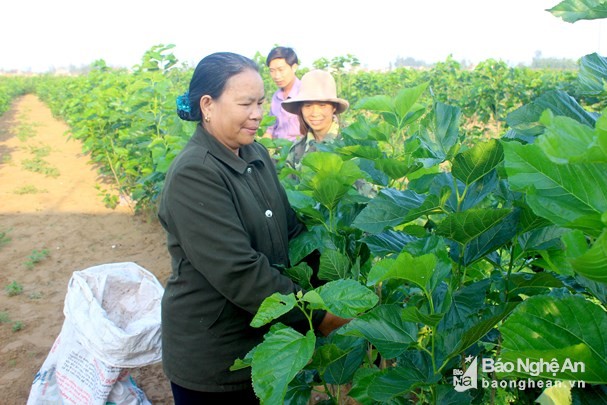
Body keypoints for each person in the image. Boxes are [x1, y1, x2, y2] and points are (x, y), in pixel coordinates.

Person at [157, 52, 349, 404]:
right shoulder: (194, 173)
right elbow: (238, 270)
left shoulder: (255, 154)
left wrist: (337, 286)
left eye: (260, 102)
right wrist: (320, 315)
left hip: (265, 339)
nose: (258, 113)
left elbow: (293, 234)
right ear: (207, 106)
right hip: (217, 357)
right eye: (246, 103)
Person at [281, 69, 349, 170]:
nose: (314, 113)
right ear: (301, 109)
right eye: (308, 106)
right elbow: (289, 184)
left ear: (334, 107)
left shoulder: (350, 143)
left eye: (322, 105)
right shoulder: (298, 149)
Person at [263, 46, 302, 141]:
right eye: (272, 71)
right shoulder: (276, 97)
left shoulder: (304, 93)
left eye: (281, 70)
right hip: (278, 152)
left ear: (294, 67)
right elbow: (270, 130)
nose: (276, 76)